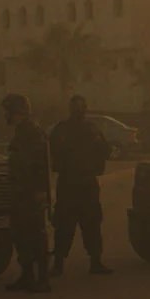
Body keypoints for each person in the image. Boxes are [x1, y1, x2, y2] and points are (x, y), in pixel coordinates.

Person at [49, 95, 114, 276]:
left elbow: (105, 151)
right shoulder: (70, 130)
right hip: (74, 183)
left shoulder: (84, 129)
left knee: (89, 224)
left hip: (81, 183)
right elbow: (54, 153)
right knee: (66, 225)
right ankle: (62, 263)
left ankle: (89, 262)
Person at [1, 94, 52, 293]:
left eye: (8, 111)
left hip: (31, 194)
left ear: (17, 112)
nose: (6, 115)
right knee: (21, 235)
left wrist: (40, 192)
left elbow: (40, 164)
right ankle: (27, 275)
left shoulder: (32, 133)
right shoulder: (22, 133)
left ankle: (42, 278)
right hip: (21, 193)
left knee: (36, 236)